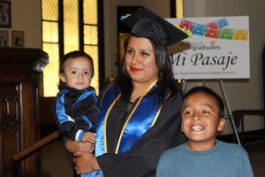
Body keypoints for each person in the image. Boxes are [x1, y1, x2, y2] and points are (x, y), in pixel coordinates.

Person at [68, 7, 188, 177]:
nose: (134, 60)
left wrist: (97, 163)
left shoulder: (171, 99)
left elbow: (153, 155)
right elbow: (89, 127)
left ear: (160, 59)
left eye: (144, 53)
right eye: (130, 51)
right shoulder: (112, 90)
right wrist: (78, 145)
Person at [156, 86, 254, 177]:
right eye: (188, 112)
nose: (195, 117)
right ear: (182, 125)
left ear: (220, 124)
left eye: (205, 111)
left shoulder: (237, 155)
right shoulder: (168, 159)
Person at [53, 51, 99, 164]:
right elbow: (63, 122)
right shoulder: (63, 98)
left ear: (91, 76)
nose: (80, 76)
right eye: (74, 72)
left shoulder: (92, 93)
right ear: (62, 76)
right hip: (80, 138)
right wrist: (80, 134)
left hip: (99, 136)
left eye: (86, 72)